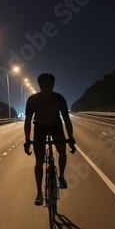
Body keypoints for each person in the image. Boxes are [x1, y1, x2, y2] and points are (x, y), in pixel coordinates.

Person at [24, 73, 75, 205]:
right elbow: (28, 121)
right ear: (40, 86)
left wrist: (70, 139)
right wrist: (27, 141)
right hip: (40, 127)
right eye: (44, 86)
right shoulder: (32, 100)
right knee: (39, 161)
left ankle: (61, 177)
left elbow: (66, 119)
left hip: (56, 125)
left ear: (53, 86)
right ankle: (39, 193)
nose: (46, 89)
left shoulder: (59, 98)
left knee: (62, 152)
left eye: (49, 86)